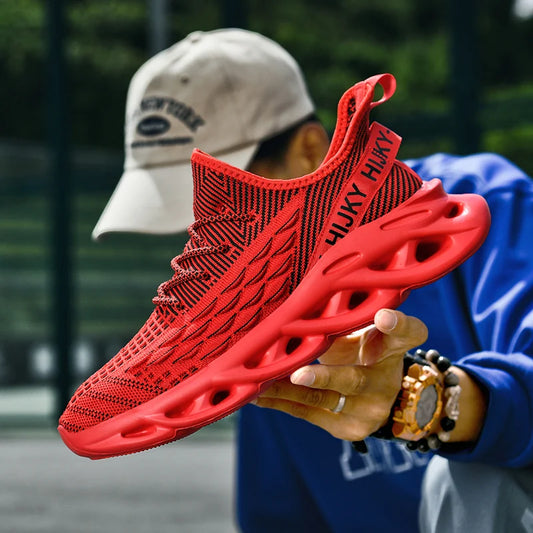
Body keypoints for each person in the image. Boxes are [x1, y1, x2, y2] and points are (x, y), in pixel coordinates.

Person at [88, 29, 533, 532]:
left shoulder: (491, 203)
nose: (205, 246)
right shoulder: (256, 321)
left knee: (477, 480)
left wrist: (423, 403)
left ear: (310, 150)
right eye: (189, 226)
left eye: (231, 212)